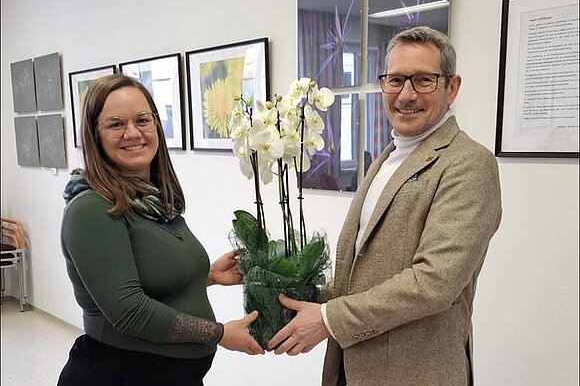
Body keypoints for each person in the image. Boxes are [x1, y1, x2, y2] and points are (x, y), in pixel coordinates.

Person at [268, 26, 502, 386]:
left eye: (423, 80)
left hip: (417, 374)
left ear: (452, 87)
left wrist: (328, 319)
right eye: (395, 80)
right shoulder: (389, 156)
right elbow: (363, 274)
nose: (406, 94)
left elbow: (434, 282)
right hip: (351, 366)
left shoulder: (469, 163)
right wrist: (289, 291)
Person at [58, 74, 264, 386]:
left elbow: (145, 277)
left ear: (155, 124)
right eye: (116, 124)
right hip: (117, 375)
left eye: (142, 120)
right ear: (94, 134)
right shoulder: (92, 209)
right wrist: (219, 333)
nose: (132, 133)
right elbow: (130, 311)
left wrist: (207, 275)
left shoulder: (152, 200)